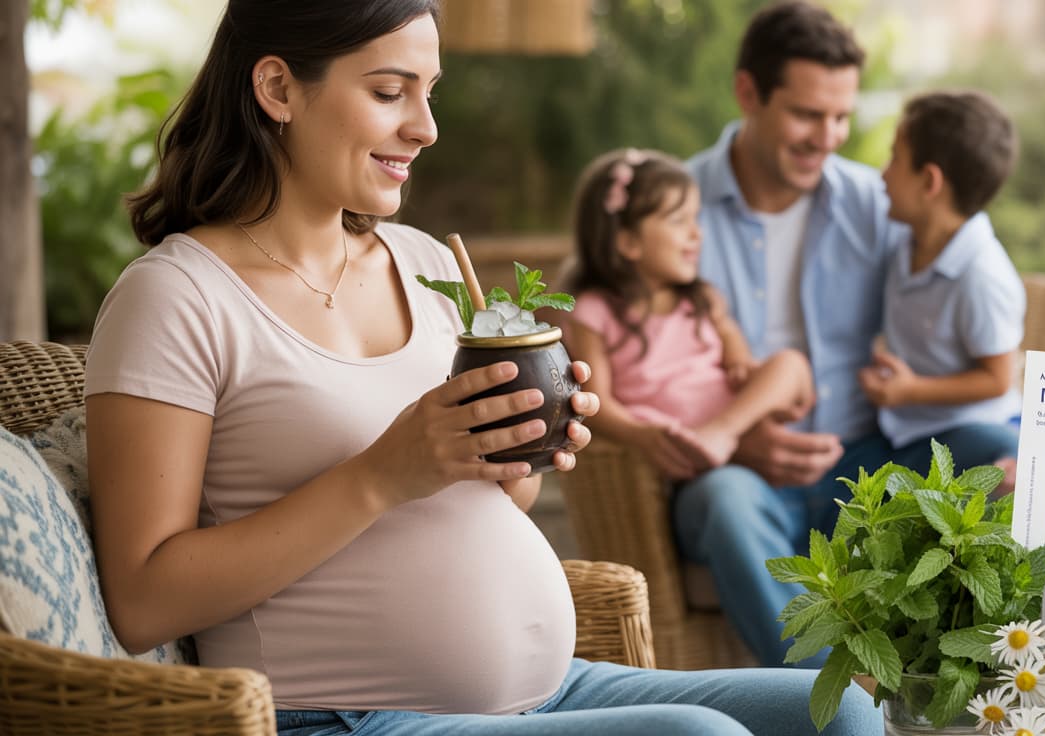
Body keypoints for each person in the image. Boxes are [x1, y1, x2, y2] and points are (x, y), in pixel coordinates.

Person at [83, 2, 879, 734]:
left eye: (431, 92)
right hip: (345, 712)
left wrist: (524, 445)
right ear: (278, 87)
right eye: (391, 92)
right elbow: (145, 598)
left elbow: (496, 497)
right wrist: (383, 474)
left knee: (840, 709)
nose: (427, 128)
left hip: (546, 688)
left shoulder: (427, 264)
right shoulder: (176, 297)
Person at [678, 0, 910, 667]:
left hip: (865, 468)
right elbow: (613, 344)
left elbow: (963, 281)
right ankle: (825, 712)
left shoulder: (875, 203)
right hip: (735, 475)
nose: (828, 136)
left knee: (990, 450)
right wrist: (735, 435)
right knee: (724, 501)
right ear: (748, 92)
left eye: (841, 116)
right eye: (808, 114)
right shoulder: (672, 207)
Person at [564, 148, 815, 479]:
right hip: (672, 440)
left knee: (792, 363)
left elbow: (731, 344)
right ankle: (717, 439)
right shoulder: (594, 312)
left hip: (728, 420)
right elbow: (596, 404)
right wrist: (641, 436)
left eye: (695, 219)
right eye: (680, 221)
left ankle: (723, 432)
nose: (698, 234)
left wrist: (740, 364)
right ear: (628, 242)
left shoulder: (702, 299)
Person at [861, 91, 1024, 489]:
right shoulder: (905, 241)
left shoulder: (981, 274)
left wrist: (912, 390)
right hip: (909, 430)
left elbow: (998, 379)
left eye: (895, 158)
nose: (882, 173)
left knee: (1000, 459)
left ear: (929, 181)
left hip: (973, 430)